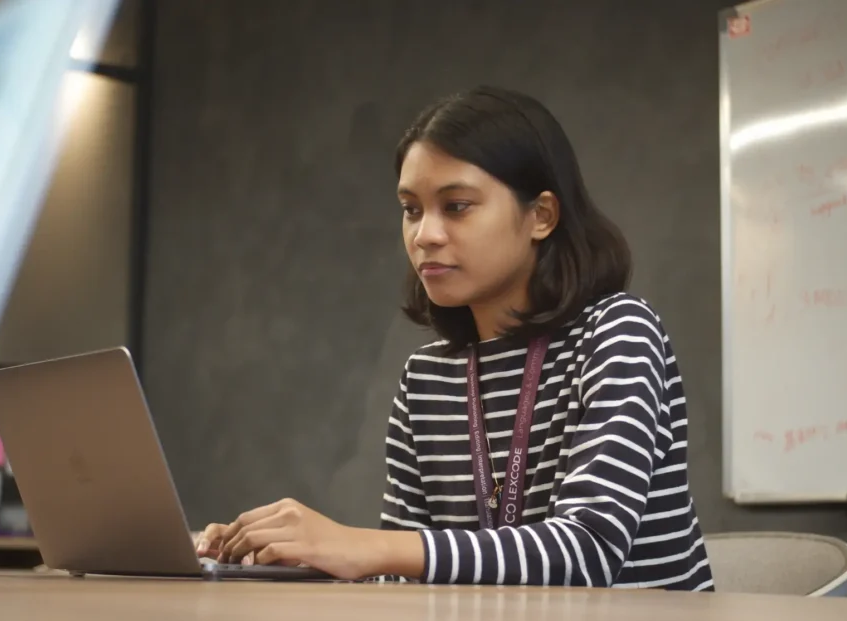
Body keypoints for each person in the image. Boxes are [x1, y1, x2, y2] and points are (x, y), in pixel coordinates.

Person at [195, 86, 713, 590]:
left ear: (541, 216)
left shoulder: (617, 331)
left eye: (457, 206)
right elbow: (405, 574)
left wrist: (359, 546)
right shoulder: (426, 377)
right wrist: (276, 557)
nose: (425, 235)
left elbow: (588, 552)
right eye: (411, 209)